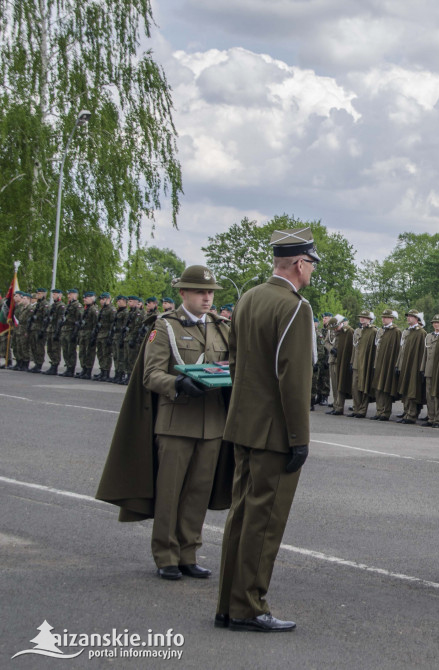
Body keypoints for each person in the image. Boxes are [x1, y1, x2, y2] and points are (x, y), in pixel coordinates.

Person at [96, 265, 233, 580]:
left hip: (212, 424)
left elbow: (232, 366)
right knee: (170, 492)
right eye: (200, 292)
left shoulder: (221, 327)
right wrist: (178, 384)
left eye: (210, 292)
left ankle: (188, 552)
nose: (207, 298)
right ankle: (166, 555)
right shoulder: (165, 326)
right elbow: (150, 374)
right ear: (183, 293)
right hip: (175, 422)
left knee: (199, 492)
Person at [216, 228, 318, 632]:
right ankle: (249, 606)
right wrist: (299, 437)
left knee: (241, 516)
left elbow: (236, 363)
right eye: (310, 263)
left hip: (243, 426)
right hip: (275, 432)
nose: (311, 271)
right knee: (265, 522)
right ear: (297, 263)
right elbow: (292, 379)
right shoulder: (295, 307)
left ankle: (229, 603)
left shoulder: (249, 297)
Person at [396, 310, 426, 424]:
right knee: (406, 388)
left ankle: (411, 414)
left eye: (411, 316)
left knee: (412, 390)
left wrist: (419, 368)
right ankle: (407, 412)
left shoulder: (421, 333)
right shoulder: (408, 332)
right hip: (406, 365)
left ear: (417, 319)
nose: (408, 318)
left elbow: (421, 352)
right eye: (408, 316)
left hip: (414, 366)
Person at [371, 310, 401, 421]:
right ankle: (379, 411)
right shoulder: (380, 331)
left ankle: (386, 412)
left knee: (386, 388)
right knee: (378, 388)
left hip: (388, 364)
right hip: (379, 363)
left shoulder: (396, 332)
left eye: (386, 317)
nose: (384, 319)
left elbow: (397, 350)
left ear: (392, 319)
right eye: (383, 317)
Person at [349, 311, 377, 418]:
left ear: (370, 319)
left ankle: (362, 410)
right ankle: (356, 408)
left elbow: (373, 349)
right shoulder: (357, 330)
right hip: (356, 362)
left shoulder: (373, 331)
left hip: (365, 363)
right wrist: (352, 361)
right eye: (361, 317)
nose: (362, 319)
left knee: (363, 386)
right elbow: (354, 348)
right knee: (355, 387)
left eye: (365, 318)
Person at [327, 315, 354, 415]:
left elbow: (350, 347)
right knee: (334, 385)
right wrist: (331, 349)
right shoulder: (335, 332)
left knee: (340, 384)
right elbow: (327, 342)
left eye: (336, 328)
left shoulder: (348, 331)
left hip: (342, 362)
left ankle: (339, 407)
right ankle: (336, 405)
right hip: (333, 360)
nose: (334, 330)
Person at [76, 291, 99, 379]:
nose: (84, 299)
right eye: (84, 298)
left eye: (86, 298)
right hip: (83, 333)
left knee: (89, 352)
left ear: (92, 299)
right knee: (82, 352)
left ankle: (88, 370)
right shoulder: (86, 309)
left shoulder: (93, 309)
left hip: (89, 333)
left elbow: (95, 323)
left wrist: (94, 335)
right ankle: (84, 369)